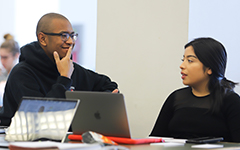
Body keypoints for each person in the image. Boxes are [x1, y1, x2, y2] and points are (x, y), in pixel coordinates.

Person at [0, 13, 118, 126]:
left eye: (72, 35)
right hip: (20, 143)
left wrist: (99, 103)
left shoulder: (72, 69)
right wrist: (64, 79)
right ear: (43, 39)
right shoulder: (22, 73)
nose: (71, 41)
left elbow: (109, 86)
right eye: (64, 36)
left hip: (64, 142)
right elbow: (42, 119)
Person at [150, 37, 240, 142]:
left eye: (190, 60)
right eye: (183, 60)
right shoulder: (176, 97)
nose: (182, 66)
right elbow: (155, 139)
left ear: (210, 68)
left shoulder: (231, 101)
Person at [0, 34, 20, 106]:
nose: (2, 61)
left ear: (16, 55)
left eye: (5, 57)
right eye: (1, 57)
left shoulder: (21, 76)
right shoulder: (2, 75)